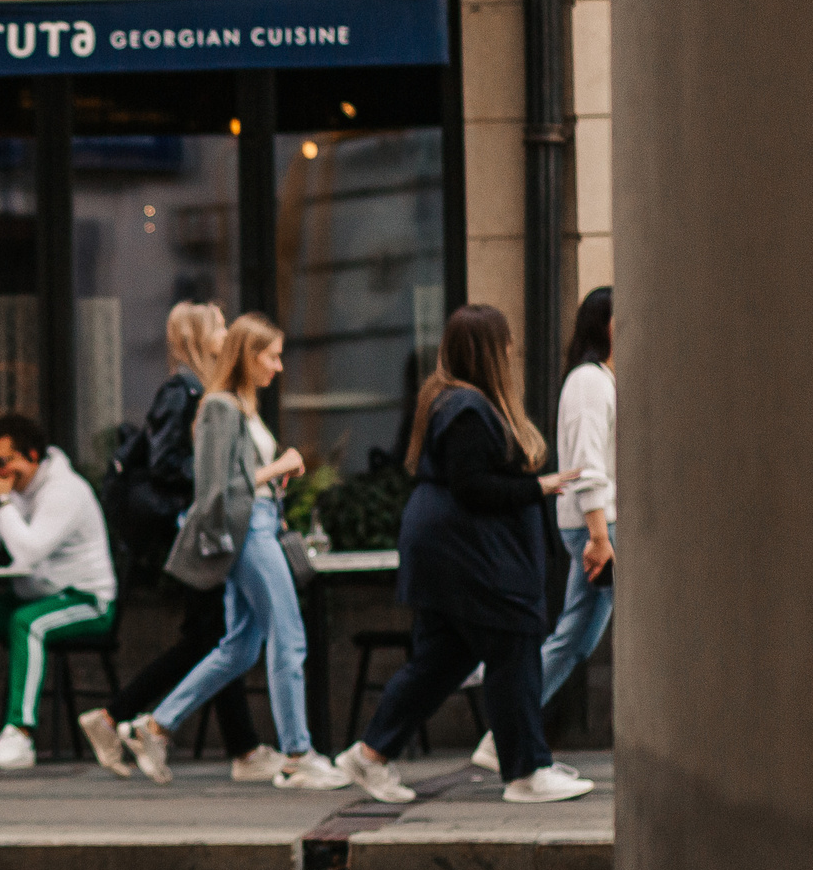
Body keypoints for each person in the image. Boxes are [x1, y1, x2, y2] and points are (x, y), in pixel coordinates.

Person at [339, 304, 594, 806]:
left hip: (446, 552)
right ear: (488, 352)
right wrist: (537, 486)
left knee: (440, 661)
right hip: (470, 557)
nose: (511, 351)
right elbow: (473, 487)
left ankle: (369, 756)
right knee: (514, 647)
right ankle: (526, 772)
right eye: (504, 343)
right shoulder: (469, 409)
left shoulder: (450, 402)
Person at [121, 314, 348, 790]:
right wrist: (278, 466)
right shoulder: (221, 407)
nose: (278, 367)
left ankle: (156, 725)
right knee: (289, 637)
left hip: (254, 527)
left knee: (241, 646)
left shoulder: (238, 405)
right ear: (247, 357)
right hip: (248, 533)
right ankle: (296, 755)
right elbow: (212, 488)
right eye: (271, 356)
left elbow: (231, 482)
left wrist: (270, 477)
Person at [82, 303, 274, 781]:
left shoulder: (207, 389)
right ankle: (124, 720)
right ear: (197, 336)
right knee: (211, 638)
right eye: (219, 326)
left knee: (212, 638)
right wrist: (220, 475)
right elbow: (167, 462)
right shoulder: (184, 390)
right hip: (194, 530)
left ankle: (239, 748)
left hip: (203, 527)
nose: (227, 332)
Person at [470, 286, 615, 773]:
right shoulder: (590, 382)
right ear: (610, 325)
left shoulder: (601, 380)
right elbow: (588, 462)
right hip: (600, 525)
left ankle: (501, 735)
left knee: (575, 639)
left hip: (599, 525)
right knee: (585, 637)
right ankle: (504, 734)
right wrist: (600, 536)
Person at [0, 414, 118, 772]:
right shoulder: (9, 490)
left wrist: (1, 505)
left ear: (32, 455)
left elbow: (29, 553)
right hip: (33, 597)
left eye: (3, 461)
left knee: (27, 624)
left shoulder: (66, 491)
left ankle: (20, 734)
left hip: (86, 600)